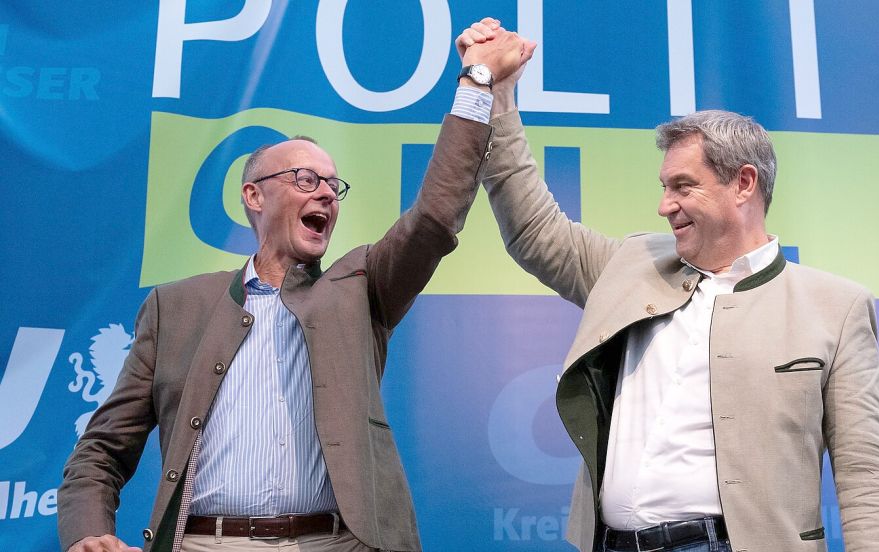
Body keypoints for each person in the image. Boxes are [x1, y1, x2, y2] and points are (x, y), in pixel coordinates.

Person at [57, 26, 531, 552]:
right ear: (254, 196)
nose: (327, 193)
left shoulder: (362, 288)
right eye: (307, 179)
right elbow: (101, 450)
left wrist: (477, 82)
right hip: (203, 543)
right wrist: (89, 532)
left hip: (334, 543)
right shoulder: (177, 307)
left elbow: (435, 217)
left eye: (334, 185)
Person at [458, 19, 879, 552]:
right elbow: (534, 229)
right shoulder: (630, 264)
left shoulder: (835, 307)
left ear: (743, 184)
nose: (664, 204)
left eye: (683, 186)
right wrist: (500, 98)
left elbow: (867, 477)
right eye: (664, 186)